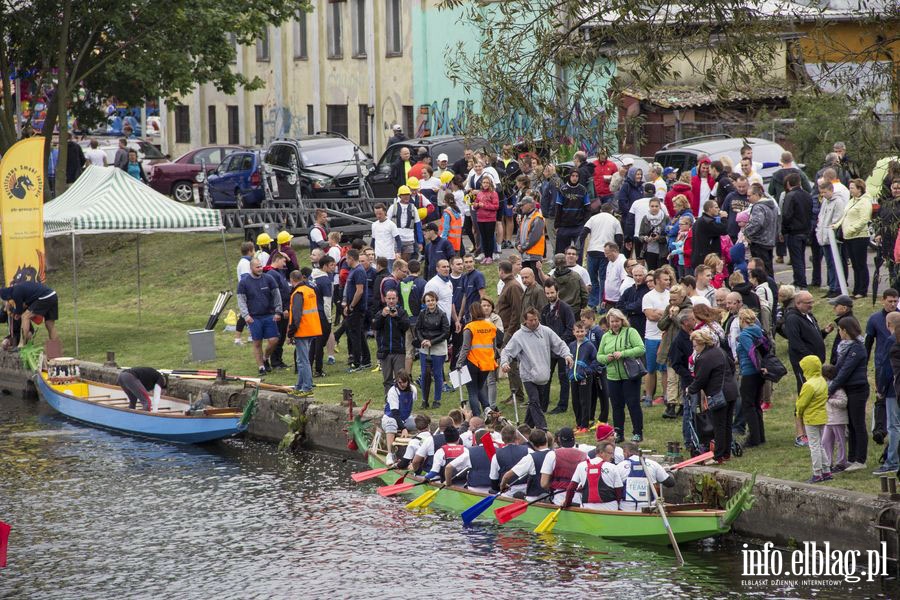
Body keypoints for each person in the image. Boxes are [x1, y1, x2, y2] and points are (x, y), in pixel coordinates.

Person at [500, 308, 573, 431]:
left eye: (535, 319)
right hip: (528, 375)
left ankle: (524, 429)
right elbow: (507, 351)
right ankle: (542, 428)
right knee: (534, 400)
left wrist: (567, 355)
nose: (533, 322)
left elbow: (559, 344)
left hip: (543, 374)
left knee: (536, 403)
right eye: (530, 320)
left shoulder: (546, 331)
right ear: (525, 321)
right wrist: (504, 363)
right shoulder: (519, 336)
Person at [687, 328, 737, 462]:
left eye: (695, 346)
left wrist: (690, 390)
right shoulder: (720, 351)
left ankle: (718, 455)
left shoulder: (704, 358)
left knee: (719, 425)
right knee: (727, 424)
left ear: (702, 343)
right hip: (731, 391)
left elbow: (700, 379)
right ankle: (726, 452)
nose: (694, 348)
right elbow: (732, 367)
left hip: (718, 394)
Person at [596, 308, 646, 443]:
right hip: (613, 376)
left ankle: (637, 432)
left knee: (633, 404)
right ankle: (618, 432)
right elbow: (599, 356)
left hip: (630, 375)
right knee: (617, 406)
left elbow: (641, 348)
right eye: (612, 321)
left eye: (617, 321)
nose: (615, 324)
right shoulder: (606, 336)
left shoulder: (630, 332)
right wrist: (607, 358)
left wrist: (623, 353)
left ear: (622, 321)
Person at [829, 316, 868, 472]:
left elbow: (845, 371)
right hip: (849, 388)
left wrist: (830, 389)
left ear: (845, 330)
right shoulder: (844, 347)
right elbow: (838, 368)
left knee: (858, 424)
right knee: (851, 425)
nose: (839, 333)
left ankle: (860, 459)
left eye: (840, 330)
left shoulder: (857, 348)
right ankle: (851, 458)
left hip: (857, 389)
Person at [237, 258, 282, 376]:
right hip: (254, 317)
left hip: (269, 315)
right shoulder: (244, 282)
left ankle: (266, 358)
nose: (260, 269)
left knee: (274, 340)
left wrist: (278, 311)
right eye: (257, 267)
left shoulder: (269, 279)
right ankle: (261, 367)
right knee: (257, 343)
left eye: (261, 266)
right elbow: (241, 300)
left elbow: (277, 295)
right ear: (251, 268)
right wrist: (246, 315)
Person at [455, 302, 499, 417]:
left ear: (471, 313)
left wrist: (459, 363)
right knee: (479, 388)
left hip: (473, 363)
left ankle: (476, 417)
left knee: (472, 391)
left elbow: (465, 347)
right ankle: (487, 408)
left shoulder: (469, 327)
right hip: (487, 363)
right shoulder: (491, 326)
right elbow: (494, 346)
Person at [541, 279, 576, 415]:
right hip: (549, 350)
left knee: (563, 377)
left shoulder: (565, 308)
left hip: (562, 349)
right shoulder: (544, 310)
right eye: (547, 293)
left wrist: (558, 342)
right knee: (546, 377)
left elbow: (570, 328)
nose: (550, 295)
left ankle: (562, 405)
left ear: (557, 292)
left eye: (552, 293)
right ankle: (543, 405)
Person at [795, 355, 832, 483]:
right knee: (820, 445)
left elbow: (801, 403)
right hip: (822, 416)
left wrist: (798, 412)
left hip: (811, 418)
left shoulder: (808, 385)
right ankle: (827, 470)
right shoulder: (822, 380)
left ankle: (817, 473)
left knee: (814, 446)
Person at [834, 179, 873, 299]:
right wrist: (836, 225)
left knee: (861, 264)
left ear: (859, 189)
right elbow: (845, 215)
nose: (850, 190)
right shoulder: (852, 201)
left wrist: (851, 229)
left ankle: (862, 290)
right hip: (849, 237)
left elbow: (864, 219)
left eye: (852, 187)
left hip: (859, 236)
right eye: (850, 187)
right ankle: (856, 289)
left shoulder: (865, 202)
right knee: (855, 265)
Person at [581, 204, 623, 307]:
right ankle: (602, 304)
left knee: (593, 278)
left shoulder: (593, 218)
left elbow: (584, 232)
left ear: (600, 210)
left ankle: (592, 303)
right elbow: (619, 238)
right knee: (604, 279)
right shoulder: (615, 221)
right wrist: (618, 251)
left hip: (592, 251)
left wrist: (580, 247)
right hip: (606, 253)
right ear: (612, 210)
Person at [287, 269, 321, 395]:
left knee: (303, 361)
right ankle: (299, 386)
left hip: (303, 330)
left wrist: (290, 333)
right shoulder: (310, 290)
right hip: (312, 328)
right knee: (302, 360)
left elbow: (296, 315)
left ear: (292, 280)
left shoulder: (298, 293)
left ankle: (307, 387)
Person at [563, 441, 624, 511]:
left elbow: (571, 488)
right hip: (610, 508)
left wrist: (566, 504)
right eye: (610, 453)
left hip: (588, 507)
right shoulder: (613, 467)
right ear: (601, 453)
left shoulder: (581, 465)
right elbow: (619, 490)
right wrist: (618, 505)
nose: (612, 457)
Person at [414, 291, 450, 408]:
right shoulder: (422, 314)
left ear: (436, 301)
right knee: (424, 373)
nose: (430, 303)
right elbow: (418, 329)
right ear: (425, 302)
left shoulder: (442, 314)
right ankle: (424, 400)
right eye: (428, 301)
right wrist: (422, 340)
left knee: (438, 373)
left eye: (432, 300)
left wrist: (432, 342)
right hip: (425, 347)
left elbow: (445, 332)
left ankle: (437, 400)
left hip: (438, 347)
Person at [736, 308, 766, 448]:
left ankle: (753, 437)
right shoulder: (758, 330)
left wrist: (757, 367)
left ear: (742, 320)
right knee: (756, 404)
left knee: (748, 405)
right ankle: (760, 435)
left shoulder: (744, 334)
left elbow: (751, 352)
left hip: (749, 371)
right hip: (759, 374)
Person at [641, 269, 670, 409]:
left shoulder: (671, 295)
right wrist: (666, 314)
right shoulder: (648, 296)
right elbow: (650, 316)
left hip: (666, 337)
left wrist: (659, 313)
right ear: (657, 280)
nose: (668, 281)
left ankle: (666, 396)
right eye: (665, 279)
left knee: (664, 369)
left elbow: (673, 316)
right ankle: (648, 396)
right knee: (651, 369)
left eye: (668, 279)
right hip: (652, 337)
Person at [0, 282, 60, 348]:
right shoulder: (19, 289)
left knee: (25, 316)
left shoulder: (15, 293)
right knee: (50, 325)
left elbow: (19, 311)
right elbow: (22, 308)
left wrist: (13, 312)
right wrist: (14, 312)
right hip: (52, 295)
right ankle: (55, 352)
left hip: (44, 297)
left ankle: (22, 344)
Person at [617, 442, 674, 512]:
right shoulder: (653, 464)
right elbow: (670, 483)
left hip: (626, 508)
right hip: (649, 508)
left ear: (626, 452)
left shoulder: (619, 466)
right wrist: (668, 471)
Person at [372, 289, 409, 394]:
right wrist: (383, 316)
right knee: (387, 379)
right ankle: (388, 399)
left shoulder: (402, 312)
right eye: (389, 298)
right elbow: (375, 326)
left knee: (400, 378)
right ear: (385, 299)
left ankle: (401, 398)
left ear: (397, 299)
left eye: (393, 298)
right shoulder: (380, 313)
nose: (391, 301)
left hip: (399, 350)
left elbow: (405, 327)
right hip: (385, 350)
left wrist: (396, 317)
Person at [539, 428, 588, 506]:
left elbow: (544, 483)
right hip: (579, 501)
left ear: (559, 439)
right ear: (574, 439)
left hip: (558, 499)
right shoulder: (585, 456)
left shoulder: (552, 455)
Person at [781, 173, 813, 289]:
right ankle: (800, 279)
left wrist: (783, 230)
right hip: (805, 230)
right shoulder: (807, 195)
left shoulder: (790, 196)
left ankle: (801, 283)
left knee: (796, 259)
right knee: (801, 257)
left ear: (788, 184)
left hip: (794, 231)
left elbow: (786, 215)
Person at [342, 249, 372, 372]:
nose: (346, 261)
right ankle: (366, 360)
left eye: (347, 258)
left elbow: (359, 291)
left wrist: (352, 305)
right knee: (359, 333)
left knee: (355, 336)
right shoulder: (353, 271)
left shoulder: (359, 271)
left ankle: (357, 363)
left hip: (357, 308)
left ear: (351, 258)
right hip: (352, 307)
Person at [501, 429, 551, 501]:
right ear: (546, 439)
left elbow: (506, 476)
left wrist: (503, 486)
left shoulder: (531, 458)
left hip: (534, 499)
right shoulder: (556, 454)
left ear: (532, 443)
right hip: (551, 497)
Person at [569, 321, 599, 433]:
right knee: (575, 401)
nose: (580, 334)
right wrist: (569, 372)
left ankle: (584, 425)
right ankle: (578, 424)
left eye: (582, 331)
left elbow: (596, 360)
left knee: (584, 401)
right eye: (577, 331)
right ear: (573, 332)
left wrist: (588, 371)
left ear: (585, 331)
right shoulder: (571, 345)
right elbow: (568, 360)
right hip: (574, 377)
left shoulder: (589, 346)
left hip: (585, 377)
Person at [382, 371, 417, 464]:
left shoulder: (413, 390)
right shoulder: (393, 391)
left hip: (405, 418)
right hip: (391, 417)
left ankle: (416, 454)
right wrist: (403, 428)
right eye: (399, 382)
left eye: (404, 382)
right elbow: (395, 413)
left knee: (418, 424)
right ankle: (390, 454)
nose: (402, 385)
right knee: (391, 424)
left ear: (408, 381)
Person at [743, 183, 778, 276]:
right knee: (768, 268)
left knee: (760, 271)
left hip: (759, 242)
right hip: (769, 241)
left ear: (757, 195)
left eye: (749, 196)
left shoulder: (758, 207)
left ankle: (764, 288)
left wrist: (746, 232)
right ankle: (771, 287)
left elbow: (757, 223)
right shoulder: (772, 205)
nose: (747, 198)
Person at [265, 253, 293, 370]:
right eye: (283, 261)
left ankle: (278, 360)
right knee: (278, 336)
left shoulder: (279, 273)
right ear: (276, 260)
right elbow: (278, 294)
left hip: (284, 308)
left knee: (281, 336)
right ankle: (274, 361)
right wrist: (283, 308)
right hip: (279, 310)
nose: (285, 264)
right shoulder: (272, 274)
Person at [820, 363, 849, 474]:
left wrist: (829, 400)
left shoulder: (838, 388)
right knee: (825, 441)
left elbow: (843, 402)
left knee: (840, 441)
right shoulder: (827, 386)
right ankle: (828, 463)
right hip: (828, 419)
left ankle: (841, 463)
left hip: (838, 419)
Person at [310, 255, 336, 377]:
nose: (334, 268)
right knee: (320, 344)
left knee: (314, 342)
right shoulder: (325, 281)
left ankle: (308, 366)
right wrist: (329, 318)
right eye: (331, 265)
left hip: (312, 313)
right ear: (324, 266)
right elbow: (327, 302)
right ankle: (318, 370)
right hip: (321, 315)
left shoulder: (312, 277)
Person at [445, 428, 494, 493]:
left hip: (473, 489)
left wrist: (448, 484)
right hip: (493, 489)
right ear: (489, 439)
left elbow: (448, 467)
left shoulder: (469, 451)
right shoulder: (498, 451)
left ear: (476, 441)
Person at [554, 170, 591, 255]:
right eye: (573, 176)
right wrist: (557, 225)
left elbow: (587, 209)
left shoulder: (583, 190)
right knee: (561, 252)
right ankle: (560, 267)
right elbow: (558, 208)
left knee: (578, 252)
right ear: (569, 176)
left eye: (576, 176)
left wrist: (586, 225)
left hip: (578, 226)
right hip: (564, 226)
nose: (574, 178)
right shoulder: (562, 190)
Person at [489, 425, 529, 496]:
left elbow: (494, 479)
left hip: (509, 493)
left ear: (502, 439)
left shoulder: (496, 456)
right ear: (517, 437)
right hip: (526, 490)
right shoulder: (529, 450)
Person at [387, 186, 424, 261]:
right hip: (396, 239)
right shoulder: (393, 207)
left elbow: (418, 226)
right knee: (396, 262)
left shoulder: (413, 208)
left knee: (405, 262)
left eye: (408, 194)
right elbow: (387, 223)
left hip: (409, 239)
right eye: (404, 195)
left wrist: (420, 242)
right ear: (400, 196)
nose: (406, 196)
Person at [690, 200, 727, 268]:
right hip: (705, 260)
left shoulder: (700, 220)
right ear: (710, 209)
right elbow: (724, 230)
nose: (718, 209)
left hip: (699, 257)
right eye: (716, 207)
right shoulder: (707, 222)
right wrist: (724, 218)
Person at [472, 175, 500, 263]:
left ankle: (490, 256)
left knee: (489, 237)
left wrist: (485, 206)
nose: (485, 184)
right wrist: (475, 205)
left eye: (487, 182)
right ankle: (485, 255)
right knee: (483, 238)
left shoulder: (494, 193)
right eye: (484, 182)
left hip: (490, 219)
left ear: (490, 183)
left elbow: (496, 206)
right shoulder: (479, 193)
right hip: (480, 218)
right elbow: (475, 203)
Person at [515, 194, 546, 274]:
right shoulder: (525, 217)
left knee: (536, 280)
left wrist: (523, 248)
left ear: (529, 205)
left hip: (534, 256)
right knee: (526, 280)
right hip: (525, 255)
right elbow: (519, 232)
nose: (521, 207)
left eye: (522, 205)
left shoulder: (537, 218)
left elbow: (534, 237)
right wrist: (517, 245)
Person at [638, 198, 670, 270]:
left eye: (656, 206)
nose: (654, 208)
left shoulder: (666, 218)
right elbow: (640, 235)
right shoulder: (645, 218)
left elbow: (669, 236)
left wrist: (659, 238)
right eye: (652, 206)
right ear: (649, 207)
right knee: (651, 271)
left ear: (660, 207)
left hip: (662, 252)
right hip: (649, 250)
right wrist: (645, 238)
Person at [370, 203, 402, 271]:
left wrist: (398, 252)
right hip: (378, 255)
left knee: (389, 272)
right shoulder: (374, 225)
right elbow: (373, 240)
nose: (378, 216)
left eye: (380, 213)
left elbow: (398, 239)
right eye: (376, 214)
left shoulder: (391, 224)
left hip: (388, 255)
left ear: (385, 212)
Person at [602, 242, 627, 308]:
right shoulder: (610, 262)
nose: (605, 256)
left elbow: (624, 282)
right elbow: (607, 281)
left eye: (607, 253)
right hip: (609, 300)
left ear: (615, 251)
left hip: (618, 300)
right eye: (605, 253)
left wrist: (622, 300)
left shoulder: (622, 262)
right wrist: (604, 299)